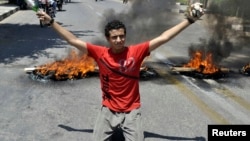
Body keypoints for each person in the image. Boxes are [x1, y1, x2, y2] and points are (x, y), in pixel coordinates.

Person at [37, 2, 204, 141]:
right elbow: (72, 40)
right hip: (109, 109)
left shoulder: (136, 52)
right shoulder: (100, 53)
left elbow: (164, 37)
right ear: (108, 39)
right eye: (114, 37)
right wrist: (52, 22)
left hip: (132, 110)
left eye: (122, 36)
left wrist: (189, 20)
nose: (119, 40)